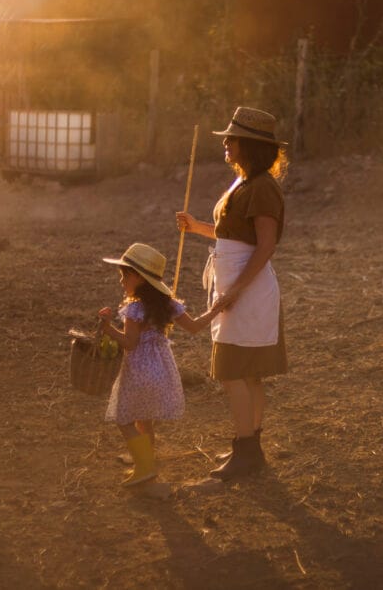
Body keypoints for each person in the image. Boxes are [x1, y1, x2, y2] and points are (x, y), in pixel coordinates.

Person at [175, 106, 288, 480]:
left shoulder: (263, 188)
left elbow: (265, 245)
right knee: (247, 373)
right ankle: (249, 447)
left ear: (250, 146)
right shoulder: (243, 183)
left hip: (248, 291)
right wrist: (196, 227)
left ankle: (247, 451)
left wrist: (237, 290)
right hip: (237, 286)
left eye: (232, 138)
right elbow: (232, 235)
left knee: (235, 372)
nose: (225, 143)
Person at [98, 242, 219, 487]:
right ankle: (147, 463)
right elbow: (195, 327)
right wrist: (217, 308)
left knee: (124, 419)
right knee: (145, 420)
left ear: (139, 278)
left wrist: (107, 328)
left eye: (125, 275)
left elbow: (130, 343)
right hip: (161, 370)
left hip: (138, 371)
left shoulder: (134, 308)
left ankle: (144, 467)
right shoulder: (168, 305)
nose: (122, 281)